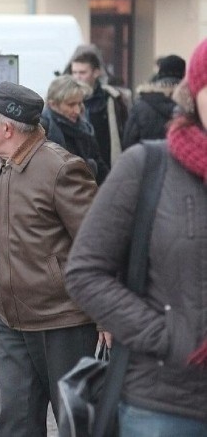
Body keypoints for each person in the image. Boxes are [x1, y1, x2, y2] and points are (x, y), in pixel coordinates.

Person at [66, 39, 207, 436]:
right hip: (166, 406)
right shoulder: (147, 166)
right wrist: (167, 335)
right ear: (193, 95)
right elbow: (85, 271)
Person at [0, 81, 99, 437]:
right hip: (11, 317)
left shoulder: (62, 169)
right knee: (15, 424)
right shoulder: (1, 168)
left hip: (62, 320)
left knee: (77, 423)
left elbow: (100, 244)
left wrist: (108, 315)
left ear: (7, 128)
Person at [67, 44, 129, 168]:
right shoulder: (63, 100)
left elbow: (123, 135)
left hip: (105, 165)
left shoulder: (111, 100)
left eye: (82, 72)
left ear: (96, 73)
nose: (77, 77)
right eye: (74, 72)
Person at [41, 75, 110, 184]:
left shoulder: (84, 128)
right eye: (71, 105)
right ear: (53, 104)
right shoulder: (42, 131)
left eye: (79, 103)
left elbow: (99, 163)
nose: (77, 110)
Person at [122, 54, 186, 149]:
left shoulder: (141, 105)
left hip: (146, 161)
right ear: (184, 74)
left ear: (159, 73)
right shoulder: (191, 105)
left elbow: (128, 143)